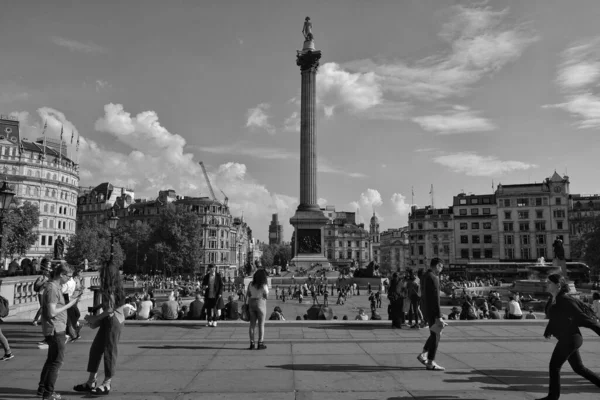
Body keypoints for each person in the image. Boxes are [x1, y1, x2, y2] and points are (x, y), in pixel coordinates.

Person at [537, 273, 600, 400]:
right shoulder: (554, 298)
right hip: (568, 338)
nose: (546, 284)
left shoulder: (565, 300)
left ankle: (553, 397)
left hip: (570, 338)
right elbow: (555, 317)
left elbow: (584, 318)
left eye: (549, 283)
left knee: (554, 366)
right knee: (579, 368)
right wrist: (549, 330)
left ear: (558, 285)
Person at [73, 262, 127, 396]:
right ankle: (92, 381)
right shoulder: (115, 287)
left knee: (109, 351)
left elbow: (109, 309)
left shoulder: (110, 288)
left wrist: (94, 319)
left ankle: (107, 383)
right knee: (96, 349)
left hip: (113, 321)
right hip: (111, 320)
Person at [37, 263, 82, 399]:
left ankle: (42, 389)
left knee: (51, 360)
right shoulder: (52, 288)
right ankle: (48, 393)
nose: (69, 279)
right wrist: (70, 304)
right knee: (56, 362)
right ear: (61, 274)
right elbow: (52, 312)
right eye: (68, 276)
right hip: (56, 329)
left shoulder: (55, 287)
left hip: (56, 328)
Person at [418, 257, 447, 371]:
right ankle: (430, 361)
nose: (442, 269)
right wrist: (439, 316)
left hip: (426, 309)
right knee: (436, 336)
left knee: (433, 334)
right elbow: (436, 298)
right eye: (441, 267)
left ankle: (423, 354)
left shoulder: (424, 276)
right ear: (437, 266)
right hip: (433, 311)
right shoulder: (434, 278)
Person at [246, 269, 269, 350]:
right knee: (261, 324)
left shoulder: (250, 284)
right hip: (260, 303)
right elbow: (266, 296)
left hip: (251, 303)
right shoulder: (264, 285)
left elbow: (248, 294)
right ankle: (260, 343)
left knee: (252, 325)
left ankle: (252, 343)